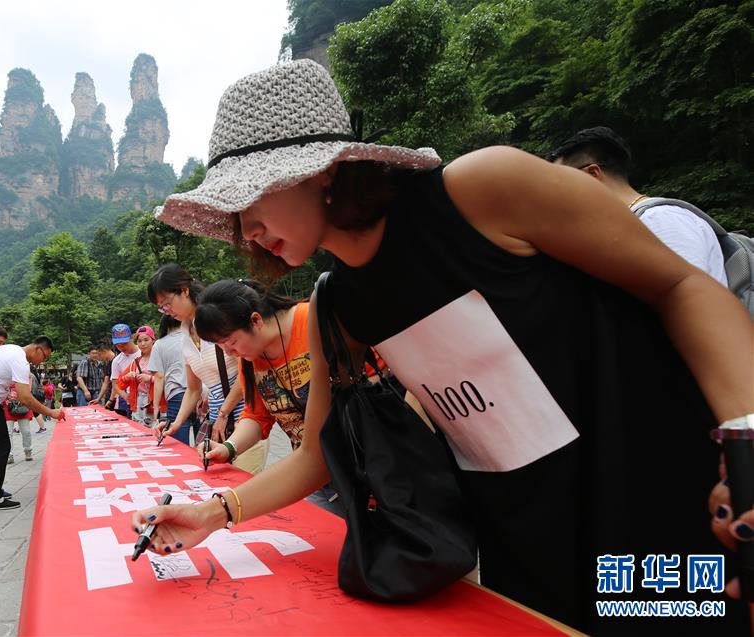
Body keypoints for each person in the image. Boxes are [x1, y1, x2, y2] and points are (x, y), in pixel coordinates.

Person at [134, 60, 752, 634]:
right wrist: (214, 513)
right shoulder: (338, 307)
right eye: (232, 213)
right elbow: (321, 454)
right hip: (522, 546)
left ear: (322, 169)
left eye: (253, 197)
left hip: (659, 506)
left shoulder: (483, 192)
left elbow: (681, 286)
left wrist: (746, 442)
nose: (245, 230)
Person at [194, 279, 341, 514]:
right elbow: (257, 414)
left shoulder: (312, 321)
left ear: (256, 320)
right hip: (314, 473)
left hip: (364, 467)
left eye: (231, 343)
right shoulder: (250, 359)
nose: (230, 353)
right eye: (221, 347)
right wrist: (229, 448)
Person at [547, 126, 728, 285]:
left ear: (592, 175)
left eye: (561, 181)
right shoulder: (635, 226)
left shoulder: (660, 220)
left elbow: (689, 300)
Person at [148, 264, 268, 471]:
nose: (167, 312)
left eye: (167, 304)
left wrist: (224, 412)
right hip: (218, 421)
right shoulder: (185, 334)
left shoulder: (218, 317)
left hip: (245, 417)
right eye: (162, 309)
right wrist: (174, 424)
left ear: (184, 290)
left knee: (242, 487)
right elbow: (194, 389)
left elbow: (249, 369)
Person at [0, 336, 62, 511]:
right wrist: (51, 412)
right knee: (0, 449)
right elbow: (25, 396)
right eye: (45, 357)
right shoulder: (20, 361)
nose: (42, 362)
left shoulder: (7, 349)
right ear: (37, 349)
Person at [147, 316, 195, 442]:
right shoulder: (194, 338)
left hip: (177, 394)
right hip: (202, 394)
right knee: (202, 437)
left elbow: (159, 377)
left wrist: (156, 406)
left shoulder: (160, 344)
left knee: (180, 441)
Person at [117, 325, 157, 424]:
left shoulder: (160, 359)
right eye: (139, 341)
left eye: (146, 340)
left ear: (153, 340)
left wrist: (150, 378)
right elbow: (120, 382)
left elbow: (168, 379)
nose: (143, 344)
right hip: (138, 401)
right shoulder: (136, 362)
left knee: (153, 431)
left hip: (155, 402)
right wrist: (127, 377)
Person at [105, 324, 140, 418]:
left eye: (125, 343)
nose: (122, 347)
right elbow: (115, 383)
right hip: (132, 402)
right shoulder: (117, 361)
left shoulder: (144, 351)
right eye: (118, 345)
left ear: (132, 338)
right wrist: (125, 396)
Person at [3, 382, 34, 463]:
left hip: (22, 406)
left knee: (26, 431)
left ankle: (28, 450)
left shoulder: (22, 374)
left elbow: (29, 386)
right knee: (8, 433)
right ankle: (9, 455)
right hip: (8, 407)